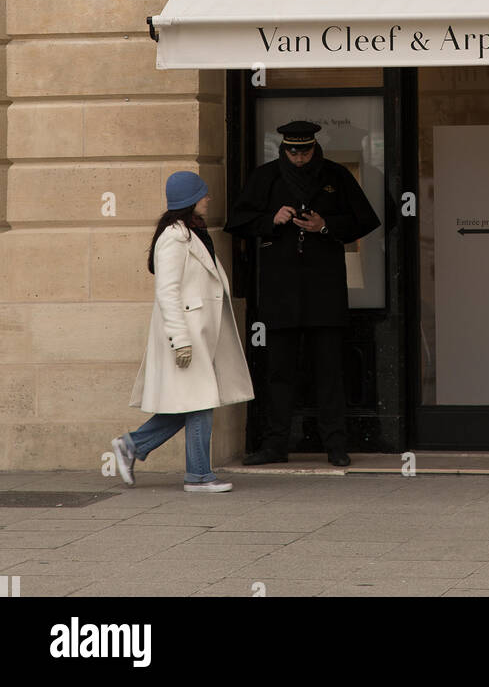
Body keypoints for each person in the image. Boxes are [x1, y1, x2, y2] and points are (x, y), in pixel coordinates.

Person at [226, 121, 381, 467]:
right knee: (279, 372)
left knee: (329, 371)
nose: (298, 158)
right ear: (283, 149)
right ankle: (275, 445)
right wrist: (270, 219)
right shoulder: (266, 177)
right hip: (281, 291)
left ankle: (336, 445)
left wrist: (324, 226)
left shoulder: (336, 176)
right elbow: (236, 221)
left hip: (324, 290)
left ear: (314, 147)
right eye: (292, 151)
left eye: (305, 151)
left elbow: (366, 220)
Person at [111, 171, 254, 492]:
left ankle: (132, 445)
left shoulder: (193, 233)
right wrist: (180, 340)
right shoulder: (174, 238)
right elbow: (168, 292)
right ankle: (198, 475)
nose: (209, 198)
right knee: (199, 402)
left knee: (195, 403)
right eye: (203, 194)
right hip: (187, 334)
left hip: (199, 333)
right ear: (190, 199)